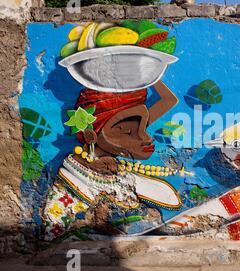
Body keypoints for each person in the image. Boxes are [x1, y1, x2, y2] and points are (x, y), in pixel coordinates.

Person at [42, 81, 182, 241]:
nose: (146, 137)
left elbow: (168, 100)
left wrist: (147, 74)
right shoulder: (66, 195)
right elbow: (54, 242)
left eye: (143, 126)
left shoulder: (116, 169)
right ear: (90, 136)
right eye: (127, 132)